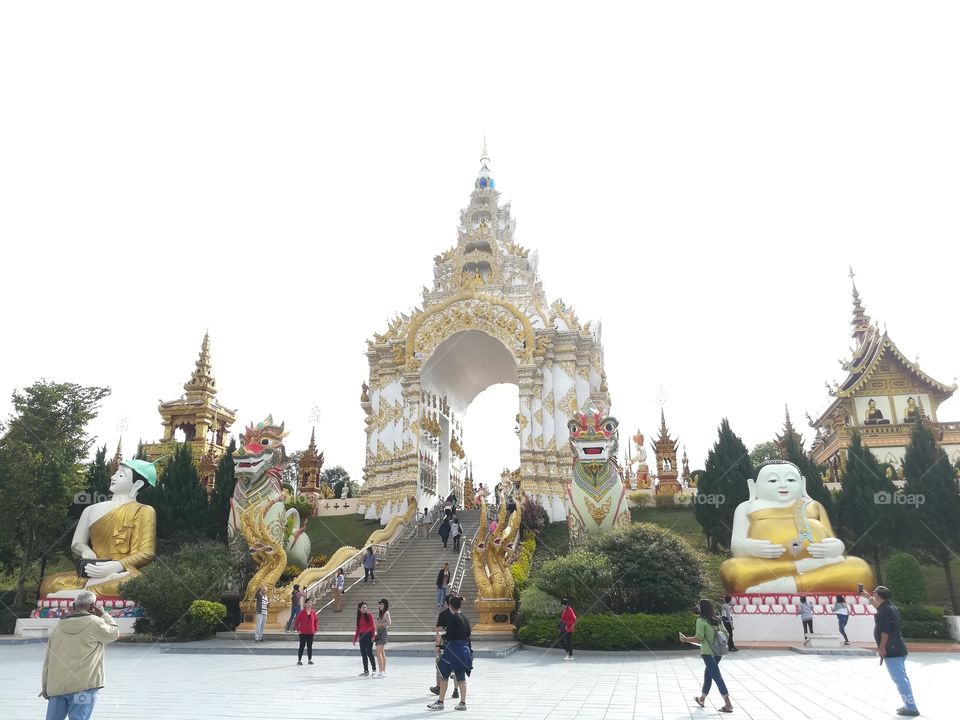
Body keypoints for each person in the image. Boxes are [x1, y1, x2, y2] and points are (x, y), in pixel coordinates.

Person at [41, 590, 120, 720]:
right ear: (92, 606)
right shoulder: (96, 623)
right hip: (83, 686)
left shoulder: (57, 627)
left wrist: (45, 687)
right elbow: (113, 633)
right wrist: (104, 615)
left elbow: (48, 660)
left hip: (57, 687)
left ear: (73, 605)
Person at [865, 586, 919, 716]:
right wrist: (866, 596)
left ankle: (911, 708)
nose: (874, 596)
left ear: (878, 596)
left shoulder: (884, 611)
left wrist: (882, 647)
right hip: (898, 647)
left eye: (874, 594)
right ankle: (909, 704)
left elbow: (885, 631)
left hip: (891, 649)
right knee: (902, 677)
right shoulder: (889, 607)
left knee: (899, 679)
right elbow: (878, 606)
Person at [680, 599, 734, 713]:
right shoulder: (717, 619)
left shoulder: (701, 621)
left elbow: (698, 638)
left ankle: (728, 704)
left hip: (708, 653)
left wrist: (685, 639)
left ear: (702, 608)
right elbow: (727, 634)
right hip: (718, 652)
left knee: (717, 677)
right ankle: (702, 699)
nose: (697, 608)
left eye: (699, 606)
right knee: (708, 674)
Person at [427, 595, 472, 712]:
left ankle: (440, 702)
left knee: (444, 675)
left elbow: (450, 635)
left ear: (450, 606)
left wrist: (442, 635)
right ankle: (463, 703)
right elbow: (468, 634)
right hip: (463, 650)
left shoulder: (453, 618)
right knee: (461, 677)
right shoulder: (465, 618)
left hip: (452, 650)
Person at [430, 594, 460, 700]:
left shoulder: (443, 614)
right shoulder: (460, 615)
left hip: (445, 645)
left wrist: (437, 645)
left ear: (447, 603)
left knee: (440, 668)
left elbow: (438, 631)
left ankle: (439, 688)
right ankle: (456, 690)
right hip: (457, 647)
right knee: (456, 669)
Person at [352, 602, 377, 677]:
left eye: (365, 607)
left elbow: (373, 627)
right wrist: (355, 639)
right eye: (363, 607)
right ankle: (366, 671)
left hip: (369, 636)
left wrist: (373, 636)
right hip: (361, 636)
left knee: (369, 652)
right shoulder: (359, 617)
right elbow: (358, 629)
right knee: (363, 654)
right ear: (359, 609)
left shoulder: (369, 615)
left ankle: (374, 669)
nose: (365, 608)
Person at [294, 598, 318, 665]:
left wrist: (315, 629)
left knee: (309, 646)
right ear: (305, 604)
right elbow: (297, 621)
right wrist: (298, 629)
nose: (310, 604)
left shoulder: (313, 612)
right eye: (308, 603)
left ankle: (310, 659)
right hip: (303, 632)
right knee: (302, 646)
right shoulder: (301, 612)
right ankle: (299, 660)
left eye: (311, 603)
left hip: (311, 632)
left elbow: (316, 621)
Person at [374, 599, 392, 678]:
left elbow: (389, 623)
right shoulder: (382, 613)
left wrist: (380, 624)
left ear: (385, 605)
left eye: (382, 604)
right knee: (381, 653)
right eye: (379, 604)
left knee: (378, 652)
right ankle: (382, 671)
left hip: (383, 633)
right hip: (379, 633)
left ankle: (381, 671)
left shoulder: (386, 613)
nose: (380, 606)